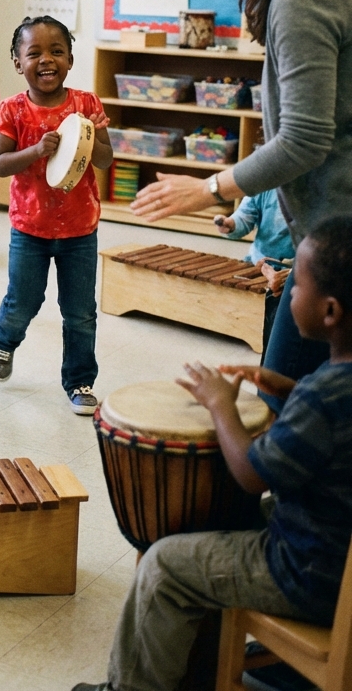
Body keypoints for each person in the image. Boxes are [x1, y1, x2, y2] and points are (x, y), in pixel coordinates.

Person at [73, 215, 352, 691]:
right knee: (218, 517)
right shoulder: (331, 389)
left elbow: (251, 473)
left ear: (329, 312)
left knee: (165, 566)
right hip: (336, 547)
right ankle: (194, 666)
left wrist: (221, 405)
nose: (288, 293)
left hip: (308, 570)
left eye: (296, 284)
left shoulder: (324, 396)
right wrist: (288, 389)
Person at [132, 0, 352, 406]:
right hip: (327, 238)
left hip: (339, 244)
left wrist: (211, 187)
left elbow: (304, 138)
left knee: (284, 408)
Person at [0, 16, 113, 415]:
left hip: (80, 228)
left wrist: (92, 138)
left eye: (57, 51)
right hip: (30, 228)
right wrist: (37, 151)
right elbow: (1, 164)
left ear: (71, 59)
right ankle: (3, 341)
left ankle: (79, 380)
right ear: (17, 61)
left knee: (80, 311)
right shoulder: (11, 109)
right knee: (23, 302)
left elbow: (106, 161)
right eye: (35, 52)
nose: (47, 60)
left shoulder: (87, 104)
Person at [215, 188, 295, 347]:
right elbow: (244, 216)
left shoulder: (321, 188)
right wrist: (231, 224)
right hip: (257, 262)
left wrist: (292, 268)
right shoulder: (266, 183)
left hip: (293, 269)